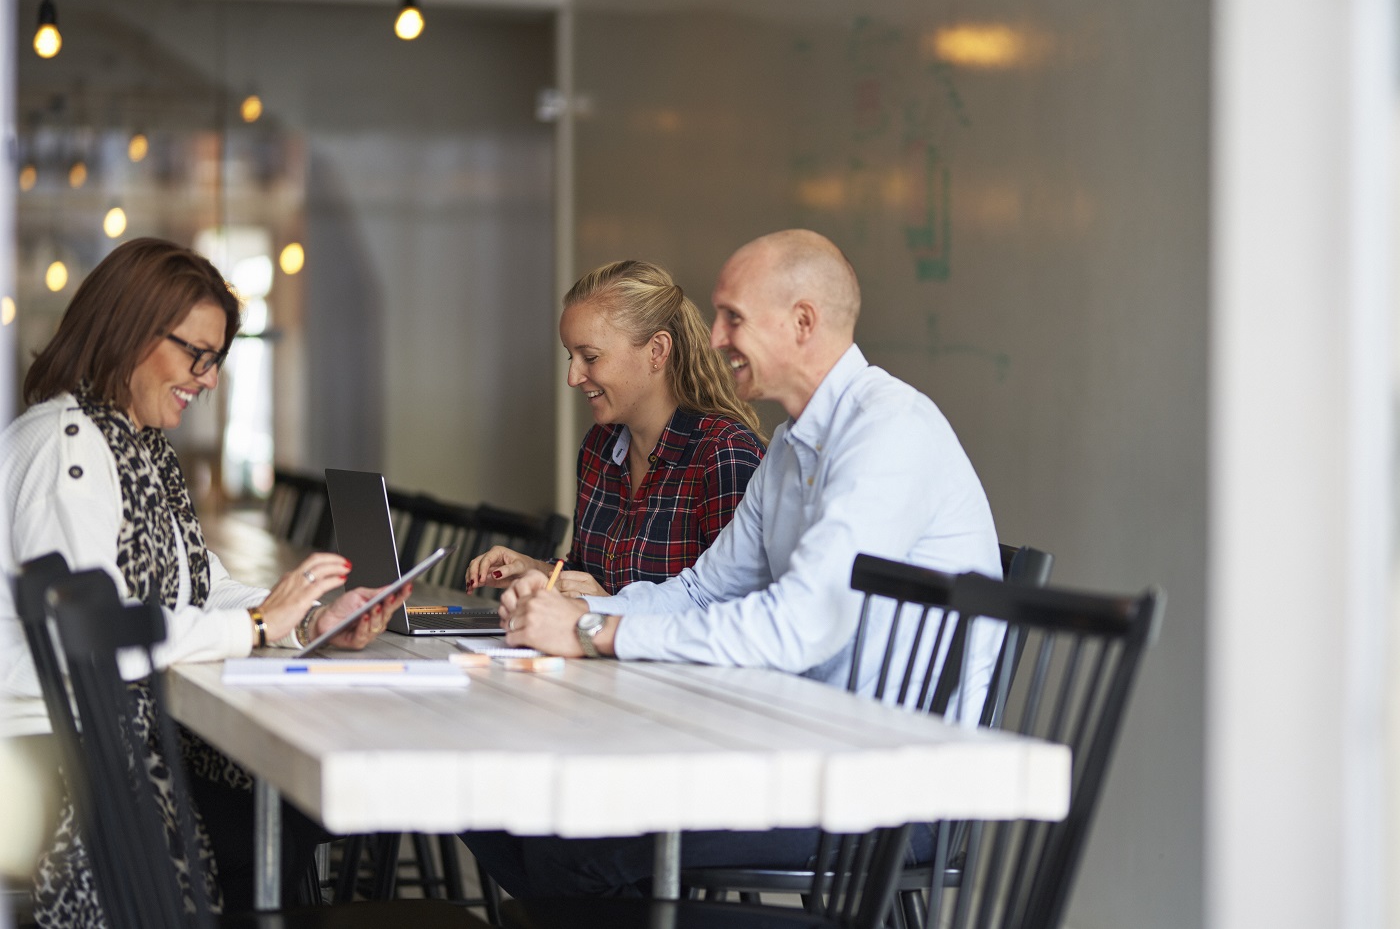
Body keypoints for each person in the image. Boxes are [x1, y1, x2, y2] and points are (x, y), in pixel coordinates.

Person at [464, 229, 1003, 898]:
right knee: (501, 808)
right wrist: (572, 611)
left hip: (892, 788)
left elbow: (801, 624)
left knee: (577, 844)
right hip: (808, 751)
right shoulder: (789, 449)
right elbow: (700, 589)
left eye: (734, 317)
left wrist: (592, 632)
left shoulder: (888, 432)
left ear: (802, 322)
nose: (714, 336)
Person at [0, 237, 411, 925]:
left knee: (286, 807)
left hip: (97, 733)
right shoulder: (69, 449)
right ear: (128, 330)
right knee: (282, 811)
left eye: (216, 360)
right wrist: (253, 627)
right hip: (52, 754)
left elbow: (201, 586)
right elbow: (100, 632)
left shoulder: (131, 445)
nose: (209, 378)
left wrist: (309, 617)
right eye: (197, 354)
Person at [465, 259, 764, 598]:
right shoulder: (600, 444)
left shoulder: (725, 455)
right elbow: (588, 576)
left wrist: (612, 612)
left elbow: (741, 615)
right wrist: (537, 571)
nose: (573, 377)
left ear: (657, 350)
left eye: (590, 357)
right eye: (571, 357)